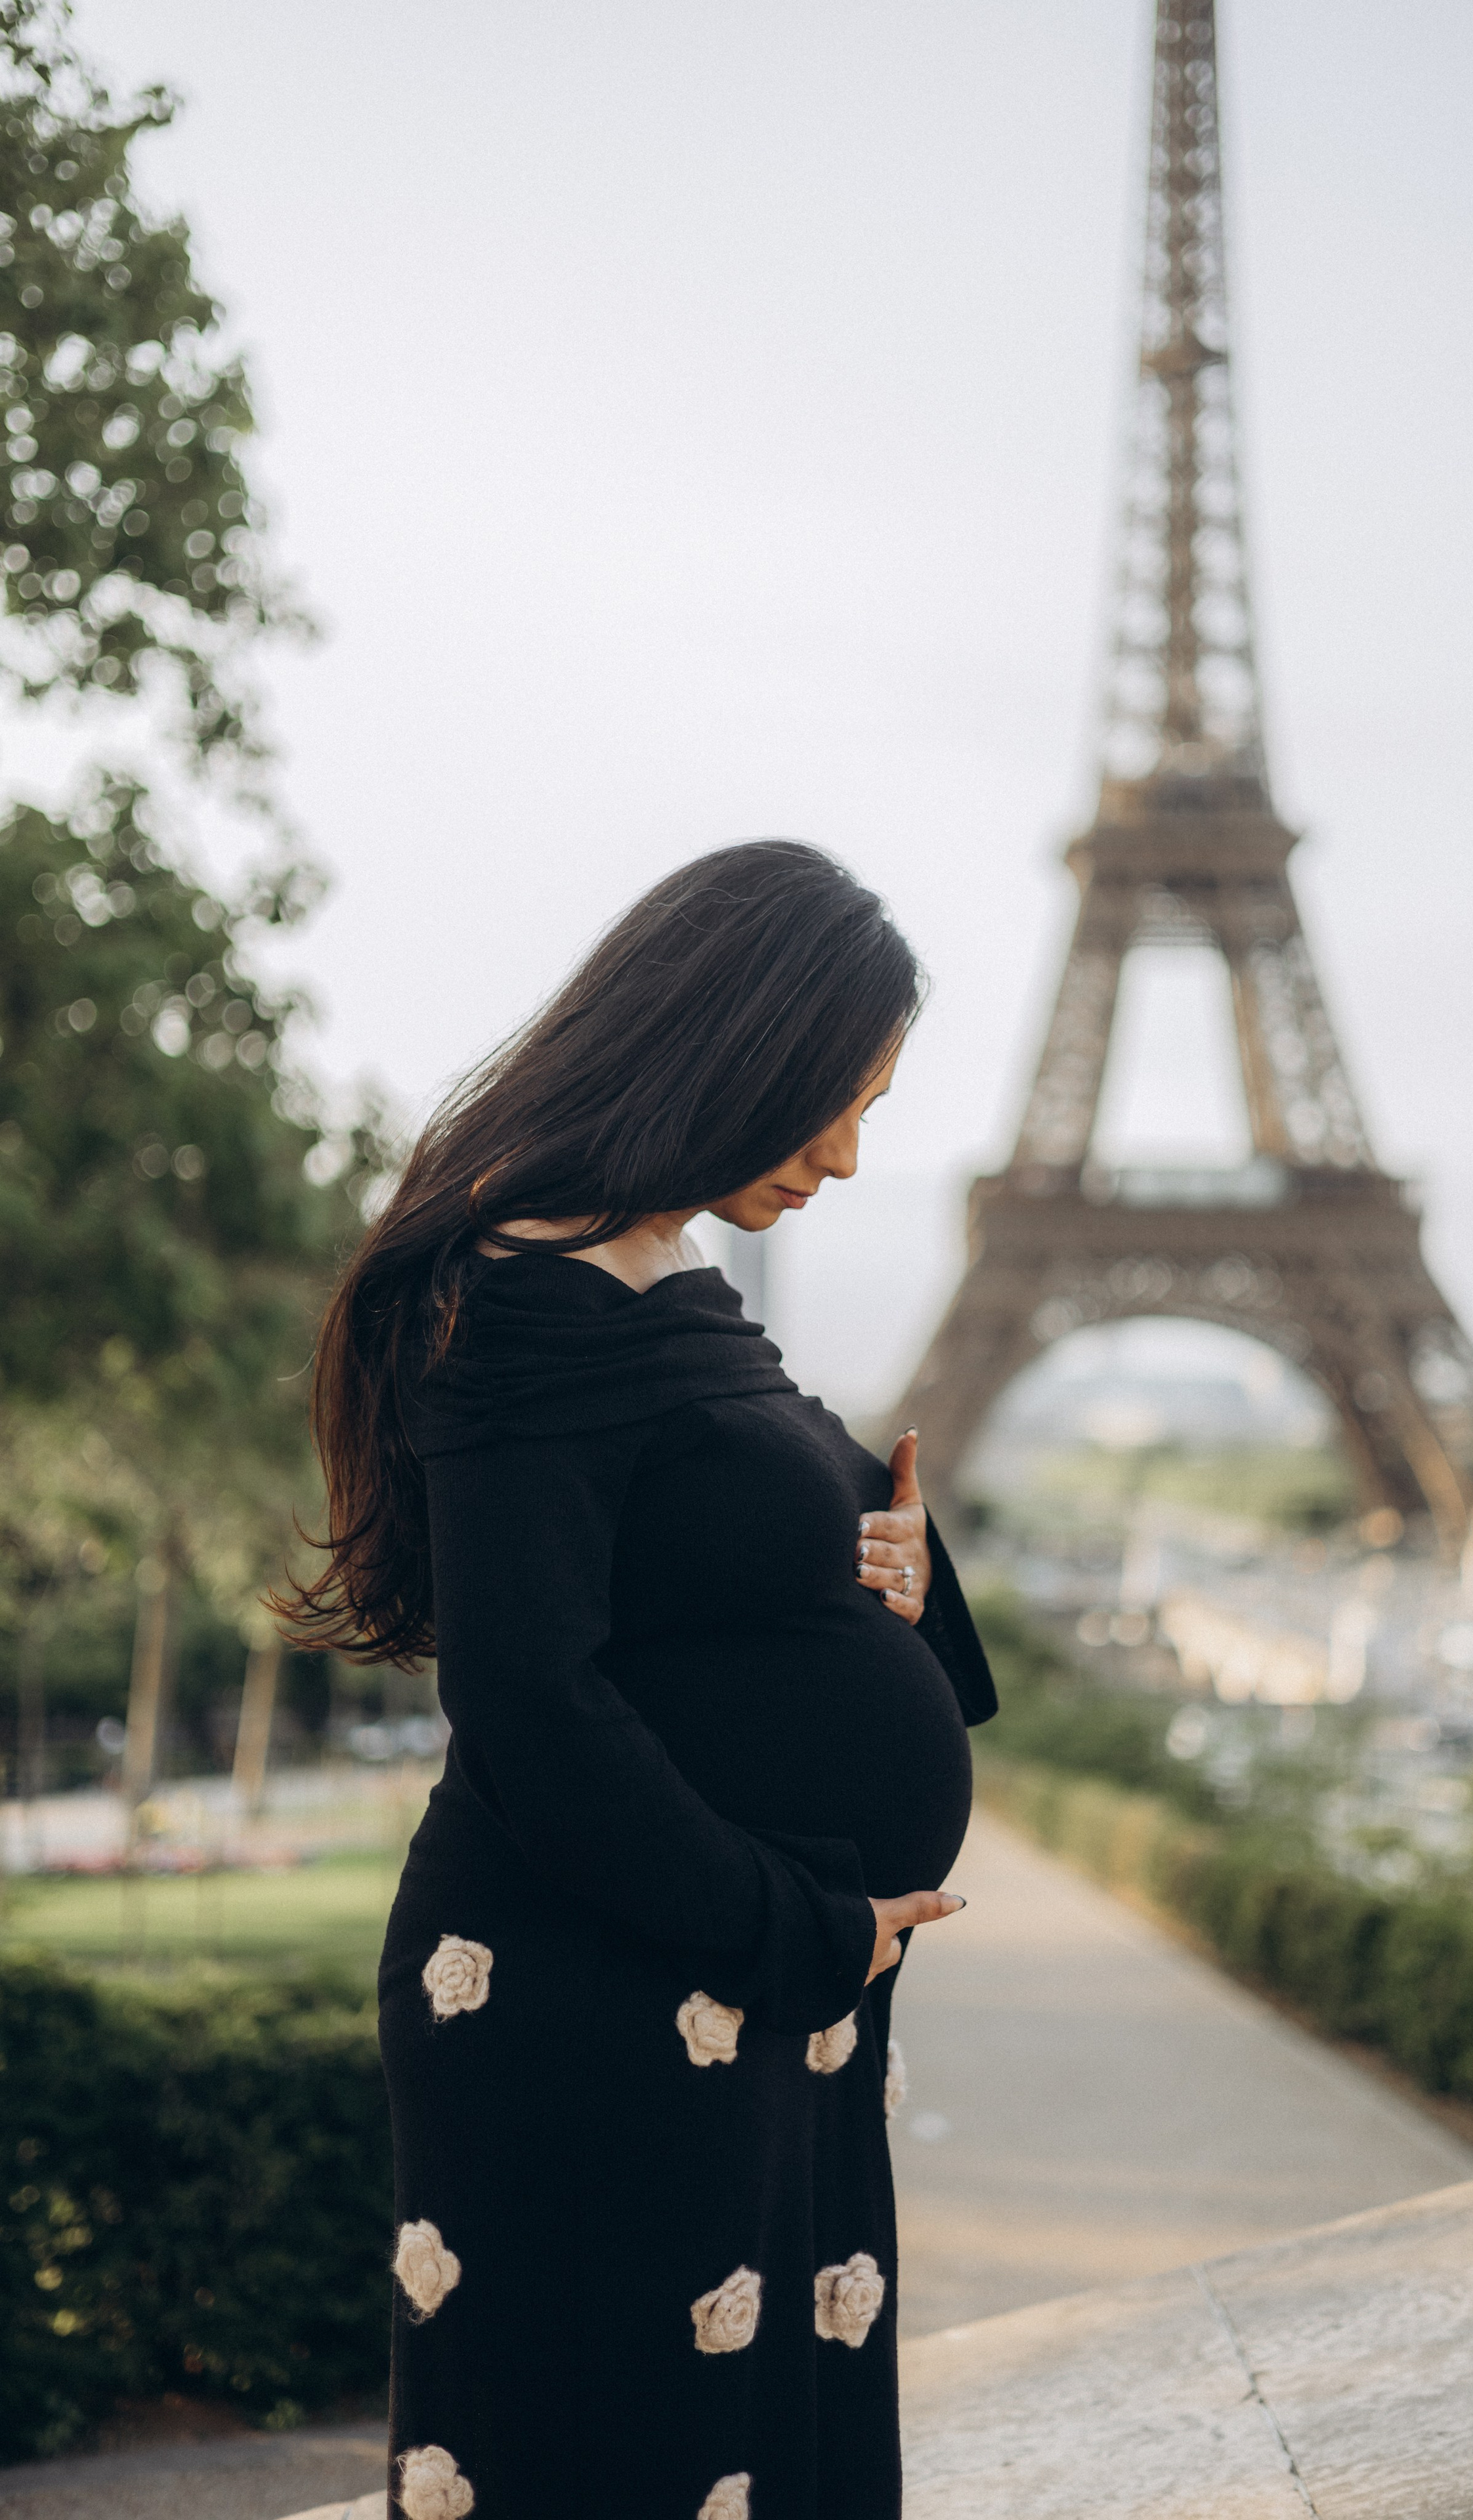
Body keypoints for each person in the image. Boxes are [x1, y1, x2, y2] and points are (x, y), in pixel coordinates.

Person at [278, 841, 996, 2520]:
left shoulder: (665, 1273)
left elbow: (727, 1576)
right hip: (609, 1988)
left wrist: (898, 1571)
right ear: (725, 1048)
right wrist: (798, 1926)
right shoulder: (527, 1293)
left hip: (723, 1986)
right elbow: (528, 1702)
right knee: (628, 2465)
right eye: (827, 1099)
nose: (846, 1154)